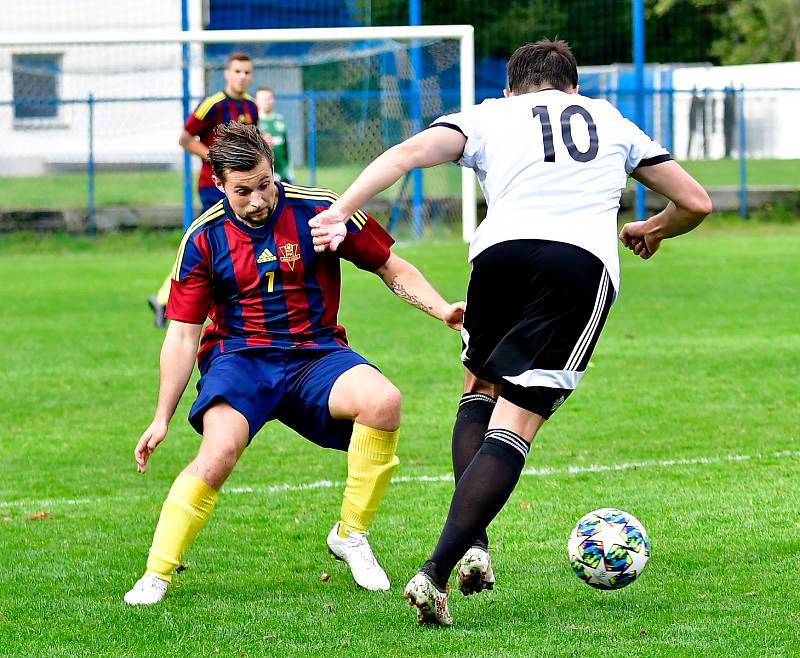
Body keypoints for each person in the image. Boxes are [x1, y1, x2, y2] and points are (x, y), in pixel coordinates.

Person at [310, 39, 712, 626]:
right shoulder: (610, 119)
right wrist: (652, 227)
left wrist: (340, 211)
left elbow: (405, 154)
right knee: (517, 420)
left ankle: (477, 544)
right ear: (572, 87)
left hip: (496, 258)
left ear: (510, 88)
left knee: (479, 387)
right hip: (576, 265)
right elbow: (695, 201)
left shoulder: (488, 114)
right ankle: (434, 573)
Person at [124, 121, 464, 606]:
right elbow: (182, 334)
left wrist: (442, 309)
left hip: (315, 354)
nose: (258, 199)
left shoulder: (323, 210)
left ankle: (350, 536)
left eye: (264, 184)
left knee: (383, 402)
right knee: (219, 451)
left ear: (272, 169)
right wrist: (161, 418)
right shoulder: (203, 239)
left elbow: (391, 265)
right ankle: (156, 573)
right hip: (239, 360)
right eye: (243, 191)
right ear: (219, 184)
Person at [148, 52, 258, 329]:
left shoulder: (252, 107)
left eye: (247, 72)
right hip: (214, 188)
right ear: (227, 73)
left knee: (238, 245)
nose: (242, 77)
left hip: (243, 189)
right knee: (204, 246)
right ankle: (166, 300)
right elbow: (185, 138)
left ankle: (170, 299)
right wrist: (216, 159)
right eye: (237, 72)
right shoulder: (214, 105)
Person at [255, 86, 294, 184]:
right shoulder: (254, 122)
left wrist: (289, 168)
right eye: (263, 99)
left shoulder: (280, 119)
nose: (267, 101)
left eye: (269, 98)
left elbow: (285, 147)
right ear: (256, 101)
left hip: (283, 172)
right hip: (264, 174)